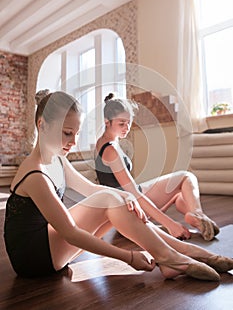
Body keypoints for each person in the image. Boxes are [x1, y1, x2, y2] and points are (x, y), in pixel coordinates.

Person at [4, 90, 233, 281]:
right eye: (67, 133)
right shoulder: (35, 174)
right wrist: (129, 257)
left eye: (76, 133)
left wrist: (128, 198)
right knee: (109, 200)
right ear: (42, 125)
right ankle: (172, 257)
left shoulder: (57, 159)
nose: (73, 142)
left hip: (51, 247)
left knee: (114, 199)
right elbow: (71, 233)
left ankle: (181, 253)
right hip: (34, 260)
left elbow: (91, 189)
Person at [95, 93, 220, 242]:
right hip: (129, 208)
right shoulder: (111, 151)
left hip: (125, 205)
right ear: (107, 122)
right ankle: (197, 213)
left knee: (180, 195)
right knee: (186, 177)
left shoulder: (101, 142)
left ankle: (201, 221)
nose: (127, 128)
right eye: (121, 123)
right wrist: (170, 225)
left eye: (129, 123)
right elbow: (133, 192)